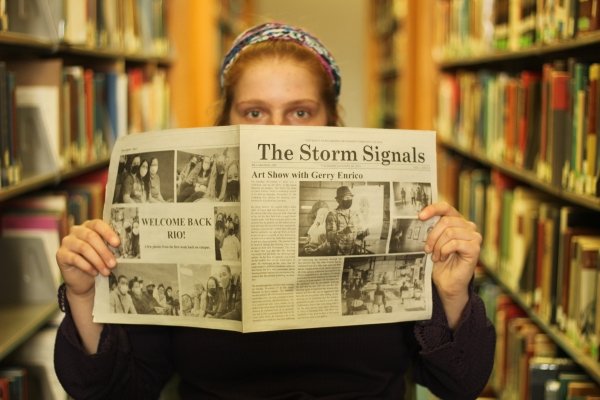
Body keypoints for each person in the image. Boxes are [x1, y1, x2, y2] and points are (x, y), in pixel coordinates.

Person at [55, 22, 494, 399]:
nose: (277, 133)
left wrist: (453, 295)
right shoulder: (186, 220)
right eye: (255, 112)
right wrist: (83, 295)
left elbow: (462, 384)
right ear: (227, 119)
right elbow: (117, 391)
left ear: (332, 121)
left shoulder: (400, 226)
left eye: (300, 112)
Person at [325, 185, 369, 255]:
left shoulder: (354, 214)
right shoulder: (332, 215)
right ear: (338, 200)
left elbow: (356, 233)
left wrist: (362, 233)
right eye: (346, 198)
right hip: (337, 253)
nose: (349, 200)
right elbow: (330, 237)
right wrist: (344, 231)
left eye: (350, 197)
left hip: (352, 252)